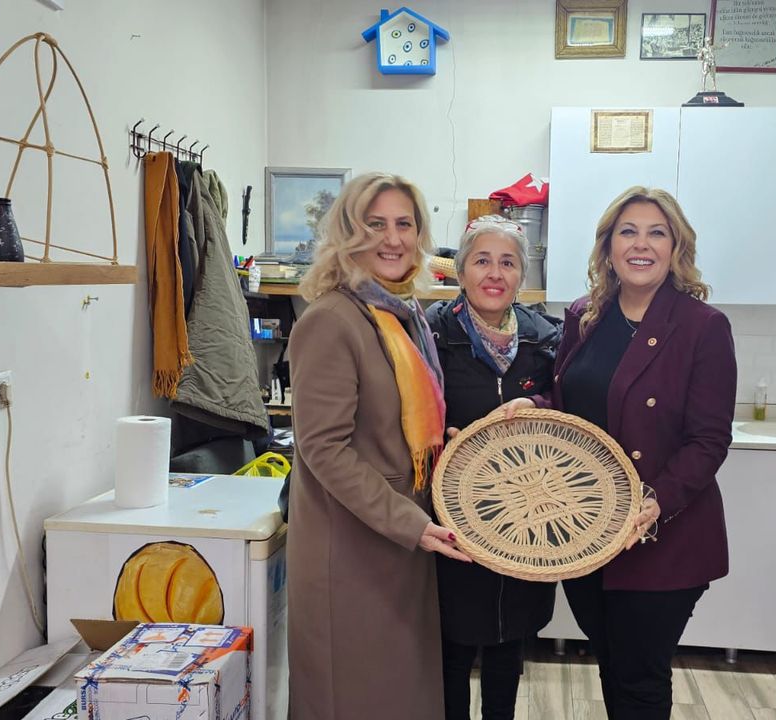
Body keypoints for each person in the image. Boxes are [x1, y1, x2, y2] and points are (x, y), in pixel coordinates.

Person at [502, 187, 737, 719]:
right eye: (628, 232)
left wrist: (655, 502)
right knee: (612, 662)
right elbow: (568, 402)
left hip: (660, 534)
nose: (641, 244)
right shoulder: (586, 315)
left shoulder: (702, 327)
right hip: (589, 529)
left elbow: (709, 440)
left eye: (657, 233)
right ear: (609, 247)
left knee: (639, 676)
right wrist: (533, 405)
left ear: (676, 246)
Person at [287, 171, 470, 720]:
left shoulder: (400, 315)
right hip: (351, 552)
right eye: (375, 224)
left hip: (399, 543)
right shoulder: (331, 320)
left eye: (404, 225)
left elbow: (401, 427)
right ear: (349, 233)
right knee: (354, 698)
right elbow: (323, 448)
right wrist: (410, 523)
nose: (392, 239)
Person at [426, 214, 562, 720]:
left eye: (508, 263)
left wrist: (539, 405)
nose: (495, 273)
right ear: (461, 270)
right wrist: (438, 439)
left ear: (521, 275)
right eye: (482, 260)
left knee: (510, 642)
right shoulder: (433, 334)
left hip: (526, 515)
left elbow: (569, 406)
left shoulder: (545, 337)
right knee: (454, 647)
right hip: (454, 515)